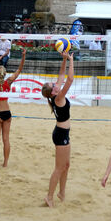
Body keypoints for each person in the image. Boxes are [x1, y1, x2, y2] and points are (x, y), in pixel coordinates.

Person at [40, 53, 74, 207]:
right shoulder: (59, 97)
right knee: (59, 168)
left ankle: (61, 192)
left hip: (62, 133)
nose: (55, 83)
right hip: (61, 135)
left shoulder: (55, 93)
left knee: (66, 165)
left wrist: (65, 59)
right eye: (53, 84)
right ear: (52, 91)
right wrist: (72, 61)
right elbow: (70, 79)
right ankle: (49, 197)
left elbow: (61, 74)